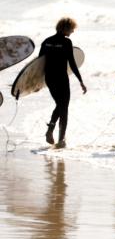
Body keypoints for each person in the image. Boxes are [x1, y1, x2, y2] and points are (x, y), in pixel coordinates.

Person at [41, 17, 87, 148]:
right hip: (61, 78)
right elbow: (72, 63)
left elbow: (38, 64)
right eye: (72, 28)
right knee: (63, 107)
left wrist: (35, 84)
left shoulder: (47, 41)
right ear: (66, 28)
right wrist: (81, 81)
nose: (72, 31)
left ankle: (51, 128)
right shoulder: (67, 42)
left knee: (60, 104)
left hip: (50, 78)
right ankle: (61, 140)